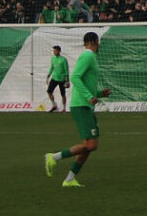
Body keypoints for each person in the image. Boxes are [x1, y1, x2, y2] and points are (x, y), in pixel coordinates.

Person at [45, 31, 109, 187]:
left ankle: (69, 179)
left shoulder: (91, 57)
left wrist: (100, 93)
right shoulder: (87, 56)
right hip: (81, 105)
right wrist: (88, 96)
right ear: (93, 41)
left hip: (85, 104)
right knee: (91, 145)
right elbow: (75, 77)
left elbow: (86, 81)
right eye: (98, 42)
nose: (99, 45)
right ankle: (53, 158)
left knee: (88, 146)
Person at [46, 44, 70, 112]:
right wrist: (49, 75)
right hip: (54, 78)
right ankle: (54, 105)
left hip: (62, 79)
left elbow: (66, 70)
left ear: (59, 51)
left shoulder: (63, 60)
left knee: (63, 94)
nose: (54, 52)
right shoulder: (53, 58)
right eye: (54, 51)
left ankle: (64, 108)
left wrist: (67, 80)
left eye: (56, 51)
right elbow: (52, 67)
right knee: (49, 92)